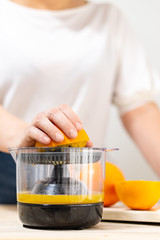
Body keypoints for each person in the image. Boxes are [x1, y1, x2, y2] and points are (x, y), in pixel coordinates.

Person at [0, 0, 160, 204]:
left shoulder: (109, 19)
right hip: (9, 182)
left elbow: (139, 109)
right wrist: (24, 136)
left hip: (86, 184)